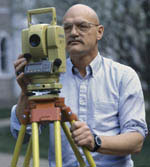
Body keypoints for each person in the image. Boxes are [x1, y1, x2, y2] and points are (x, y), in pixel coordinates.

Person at [10, 4, 148, 167]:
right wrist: (26, 93)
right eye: (67, 28)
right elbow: (22, 135)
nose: (74, 33)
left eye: (82, 26)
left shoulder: (123, 76)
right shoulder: (50, 77)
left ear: (99, 32)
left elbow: (136, 140)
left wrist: (96, 141)